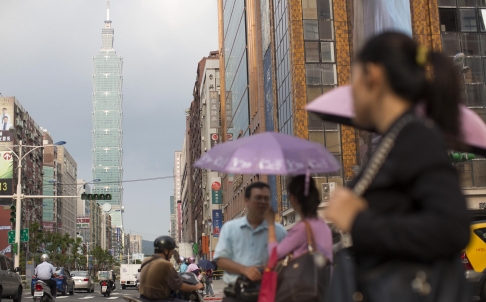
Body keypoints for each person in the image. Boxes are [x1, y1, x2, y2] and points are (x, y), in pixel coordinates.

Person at [325, 32, 470, 300]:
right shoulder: (398, 137)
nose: (351, 88)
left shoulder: (415, 137)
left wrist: (358, 221)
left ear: (372, 74)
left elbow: (452, 227)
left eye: (352, 76)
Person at [214, 182, 287, 301]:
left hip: (269, 294)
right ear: (246, 200)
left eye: (266, 199)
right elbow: (220, 260)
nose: (262, 202)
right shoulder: (230, 228)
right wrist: (245, 270)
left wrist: (270, 267)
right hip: (237, 293)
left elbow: (287, 259)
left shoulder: (279, 231)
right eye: (258, 198)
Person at [265, 175, 333, 261]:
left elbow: (274, 255)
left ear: (293, 198)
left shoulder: (301, 228)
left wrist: (271, 224)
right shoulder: (323, 225)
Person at [139, 236, 203, 301]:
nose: (172, 254)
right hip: (159, 299)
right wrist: (196, 286)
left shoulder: (146, 261)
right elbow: (180, 286)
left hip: (144, 298)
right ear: (166, 251)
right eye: (172, 250)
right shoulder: (165, 264)